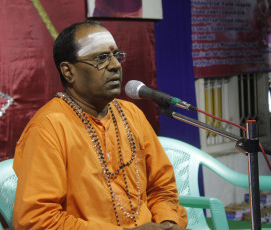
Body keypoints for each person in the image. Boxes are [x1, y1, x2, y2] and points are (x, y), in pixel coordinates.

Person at [13, 20, 188, 230]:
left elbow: (162, 187)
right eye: (101, 58)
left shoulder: (131, 114)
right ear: (68, 71)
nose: (115, 65)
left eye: (116, 55)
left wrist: (168, 223)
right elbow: (37, 220)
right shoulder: (48, 128)